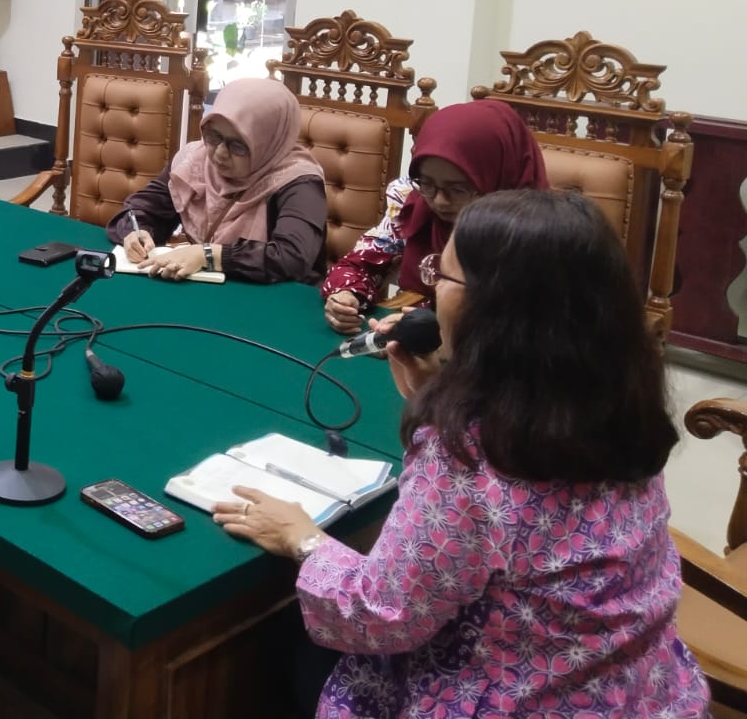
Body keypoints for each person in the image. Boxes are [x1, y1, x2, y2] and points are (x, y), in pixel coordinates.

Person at [214, 190, 708, 718]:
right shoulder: (617, 405)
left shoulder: (469, 456)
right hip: (643, 691)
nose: (427, 300)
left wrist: (303, 538)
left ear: (498, 308)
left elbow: (382, 613)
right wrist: (442, 399)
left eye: (442, 280)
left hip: (510, 699)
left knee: (291, 639)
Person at [321, 98, 548, 333]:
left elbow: (523, 329)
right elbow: (358, 265)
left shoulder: (534, 237)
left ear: (498, 179)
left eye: (457, 189)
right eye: (427, 183)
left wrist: (430, 332)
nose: (439, 201)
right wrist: (346, 296)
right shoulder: (415, 208)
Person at [104, 76, 326, 284]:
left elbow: (292, 258)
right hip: (204, 288)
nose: (219, 153)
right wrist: (137, 231)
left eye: (238, 145)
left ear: (266, 143)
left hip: (277, 301)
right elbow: (142, 208)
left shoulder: (299, 182)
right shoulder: (195, 158)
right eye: (213, 136)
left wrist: (210, 255)